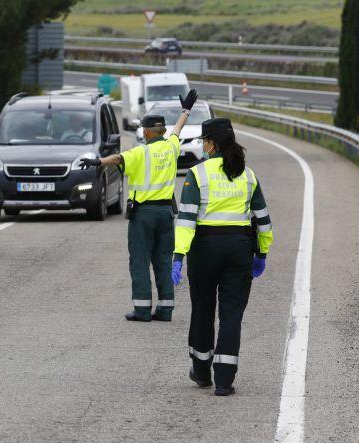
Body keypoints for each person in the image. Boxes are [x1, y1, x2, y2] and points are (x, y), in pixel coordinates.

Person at [171, 118, 274, 396]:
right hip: (239, 249)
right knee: (231, 315)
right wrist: (261, 253)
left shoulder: (198, 174)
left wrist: (179, 255)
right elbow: (263, 220)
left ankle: (202, 373)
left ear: (212, 143)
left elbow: (186, 220)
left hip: (204, 249)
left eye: (204, 141)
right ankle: (225, 380)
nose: (202, 146)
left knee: (203, 310)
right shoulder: (248, 175)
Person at [81, 89, 198, 322]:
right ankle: (165, 309)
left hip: (143, 214)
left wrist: (97, 161)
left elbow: (118, 159)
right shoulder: (171, 146)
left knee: (140, 261)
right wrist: (186, 111)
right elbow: (178, 130)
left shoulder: (140, 152)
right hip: (166, 213)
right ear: (161, 131)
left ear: (145, 132)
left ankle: (143, 309)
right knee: (163, 260)